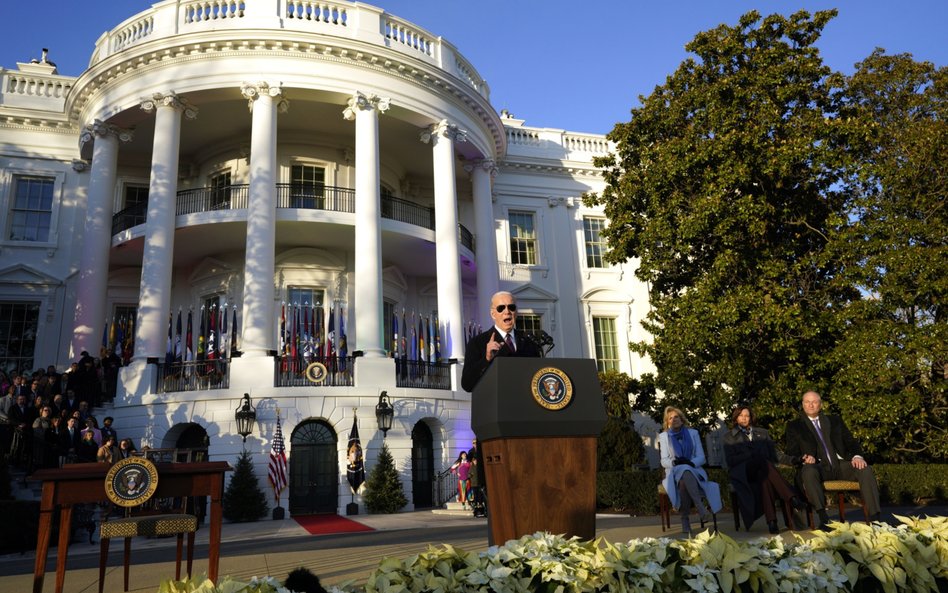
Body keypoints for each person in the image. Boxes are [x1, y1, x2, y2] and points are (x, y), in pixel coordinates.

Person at [784, 391, 881, 529]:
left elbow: (851, 442)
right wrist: (804, 458)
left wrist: (857, 456)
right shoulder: (794, 426)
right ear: (803, 404)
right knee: (808, 471)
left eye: (814, 402)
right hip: (817, 467)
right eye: (807, 402)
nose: (811, 405)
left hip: (839, 464)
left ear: (821, 404)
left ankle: (875, 518)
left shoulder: (835, 420)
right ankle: (823, 518)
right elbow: (792, 451)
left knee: (864, 468)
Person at [723, 405, 806, 533]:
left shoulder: (762, 433)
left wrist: (795, 459)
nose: (744, 418)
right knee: (762, 460)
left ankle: (772, 522)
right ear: (736, 418)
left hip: (762, 471)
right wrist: (751, 455)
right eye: (741, 416)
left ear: (751, 418)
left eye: (747, 415)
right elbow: (730, 461)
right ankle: (792, 498)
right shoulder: (729, 437)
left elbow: (776, 455)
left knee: (765, 477)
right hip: (744, 472)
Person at [657, 406, 722, 536]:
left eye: (676, 417)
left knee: (684, 479)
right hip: (674, 470)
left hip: (694, 469)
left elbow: (702, 457)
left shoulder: (693, 433)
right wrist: (675, 462)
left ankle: (685, 519)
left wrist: (690, 463)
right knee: (683, 471)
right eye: (670, 418)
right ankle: (700, 508)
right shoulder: (664, 436)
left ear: (682, 419)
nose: (674, 419)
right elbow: (663, 460)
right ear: (667, 422)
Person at [461, 291, 541, 392]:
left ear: (516, 312)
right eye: (501, 308)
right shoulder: (477, 342)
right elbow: (467, 385)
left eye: (511, 307)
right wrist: (487, 359)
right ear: (493, 314)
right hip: (495, 404)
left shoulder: (529, 341)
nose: (507, 311)